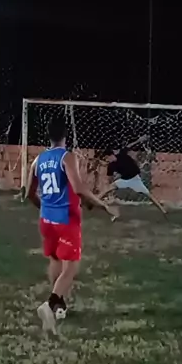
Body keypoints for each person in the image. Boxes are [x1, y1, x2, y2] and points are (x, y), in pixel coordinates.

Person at [26, 115, 118, 333]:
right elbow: (78, 189)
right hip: (66, 219)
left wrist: (44, 208)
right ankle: (50, 305)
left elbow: (29, 193)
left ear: (48, 136)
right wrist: (103, 205)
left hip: (46, 220)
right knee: (71, 267)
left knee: (55, 260)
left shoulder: (38, 160)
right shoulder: (67, 157)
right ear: (65, 136)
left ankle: (59, 305)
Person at [98, 137, 168, 217]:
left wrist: (139, 140)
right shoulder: (111, 166)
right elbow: (109, 178)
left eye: (106, 158)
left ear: (111, 155)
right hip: (124, 180)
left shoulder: (122, 154)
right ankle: (94, 201)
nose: (107, 160)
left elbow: (129, 146)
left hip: (135, 179)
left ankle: (163, 211)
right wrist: (112, 187)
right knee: (107, 189)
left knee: (148, 195)